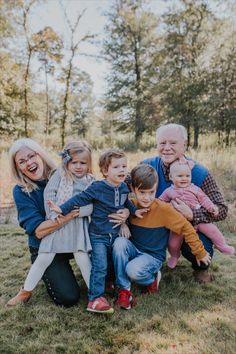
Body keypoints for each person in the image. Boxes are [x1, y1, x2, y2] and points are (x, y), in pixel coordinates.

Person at [6, 139, 127, 308]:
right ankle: (25, 291)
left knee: (85, 255)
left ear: (40, 155)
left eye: (31, 156)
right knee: (63, 289)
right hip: (50, 234)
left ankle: (97, 293)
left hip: (77, 230)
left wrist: (125, 212)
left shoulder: (87, 179)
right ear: (17, 167)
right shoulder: (29, 187)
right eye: (22, 161)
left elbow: (96, 202)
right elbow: (41, 223)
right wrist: (57, 214)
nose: (29, 162)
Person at [49, 149, 147, 314]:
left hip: (115, 233)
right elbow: (79, 199)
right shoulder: (97, 187)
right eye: (116, 167)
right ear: (105, 171)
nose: (122, 170)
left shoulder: (123, 187)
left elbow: (125, 202)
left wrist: (134, 211)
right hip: (99, 235)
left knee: (113, 260)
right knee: (99, 265)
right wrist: (61, 209)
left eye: (124, 166)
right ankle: (95, 298)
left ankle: (111, 284)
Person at [113, 164, 211, 310]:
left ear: (156, 188)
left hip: (152, 256)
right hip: (134, 250)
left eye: (151, 192)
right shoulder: (130, 206)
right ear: (133, 190)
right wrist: (123, 223)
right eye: (142, 192)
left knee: (132, 270)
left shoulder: (163, 209)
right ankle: (124, 290)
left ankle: (151, 280)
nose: (147, 198)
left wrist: (199, 251)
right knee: (119, 243)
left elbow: (186, 228)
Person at [142, 123, 228, 283]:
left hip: (189, 226)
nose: (166, 148)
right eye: (162, 143)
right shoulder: (146, 166)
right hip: (158, 224)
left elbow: (222, 209)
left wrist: (192, 214)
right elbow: (121, 182)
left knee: (201, 243)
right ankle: (147, 265)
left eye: (173, 143)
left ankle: (201, 269)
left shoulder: (200, 172)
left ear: (185, 144)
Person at [159, 158, 234, 269]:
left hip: (198, 221)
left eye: (187, 176)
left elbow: (204, 199)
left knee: (213, 231)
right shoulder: (169, 191)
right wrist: (167, 208)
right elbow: (160, 202)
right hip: (180, 223)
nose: (184, 179)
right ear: (171, 177)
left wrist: (211, 207)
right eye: (180, 176)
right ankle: (174, 256)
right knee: (173, 243)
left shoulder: (195, 189)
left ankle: (222, 245)